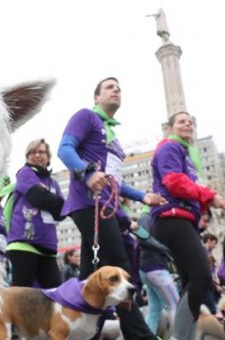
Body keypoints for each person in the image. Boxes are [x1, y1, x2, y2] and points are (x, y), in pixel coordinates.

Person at [58, 77, 165, 339]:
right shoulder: (86, 117)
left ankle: (81, 330)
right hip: (88, 204)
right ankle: (140, 335)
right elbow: (64, 149)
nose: (116, 90)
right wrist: (86, 173)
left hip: (106, 206)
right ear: (96, 97)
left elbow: (114, 183)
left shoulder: (114, 138)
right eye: (109, 87)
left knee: (89, 274)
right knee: (119, 266)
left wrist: (143, 196)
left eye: (119, 88)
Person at [149, 111, 225, 340]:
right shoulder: (169, 147)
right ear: (170, 127)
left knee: (190, 282)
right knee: (201, 277)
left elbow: (188, 187)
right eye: (182, 121)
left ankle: (187, 335)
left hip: (183, 219)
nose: (188, 124)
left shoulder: (185, 153)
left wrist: (205, 200)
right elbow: (174, 181)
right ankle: (179, 337)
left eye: (191, 122)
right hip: (172, 218)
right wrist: (209, 194)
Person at [6, 139, 65, 288]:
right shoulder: (25, 173)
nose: (37, 155)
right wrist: (56, 202)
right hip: (24, 243)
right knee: (22, 295)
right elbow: (37, 196)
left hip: (48, 246)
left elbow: (62, 213)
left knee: (54, 295)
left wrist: (56, 203)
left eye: (41, 152)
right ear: (27, 157)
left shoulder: (54, 183)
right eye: (32, 152)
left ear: (48, 157)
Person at [136, 213, 179, 336]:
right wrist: (164, 248)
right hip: (155, 268)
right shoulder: (147, 217)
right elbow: (142, 238)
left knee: (155, 309)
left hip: (150, 269)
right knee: (175, 305)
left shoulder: (152, 218)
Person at [202, 232, 221, 314]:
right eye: (214, 243)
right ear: (209, 240)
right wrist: (216, 285)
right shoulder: (204, 253)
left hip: (211, 285)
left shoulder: (208, 253)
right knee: (212, 309)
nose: (215, 246)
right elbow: (209, 272)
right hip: (208, 286)